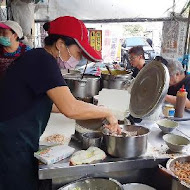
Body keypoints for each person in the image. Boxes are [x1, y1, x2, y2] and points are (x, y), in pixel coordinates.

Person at [0, 16, 121, 190]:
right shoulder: (43, 60)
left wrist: (94, 109)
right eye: (78, 52)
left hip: (17, 139)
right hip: (11, 143)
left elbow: (53, 104)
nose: (78, 59)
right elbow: (69, 108)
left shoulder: (38, 58)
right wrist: (107, 112)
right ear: (60, 44)